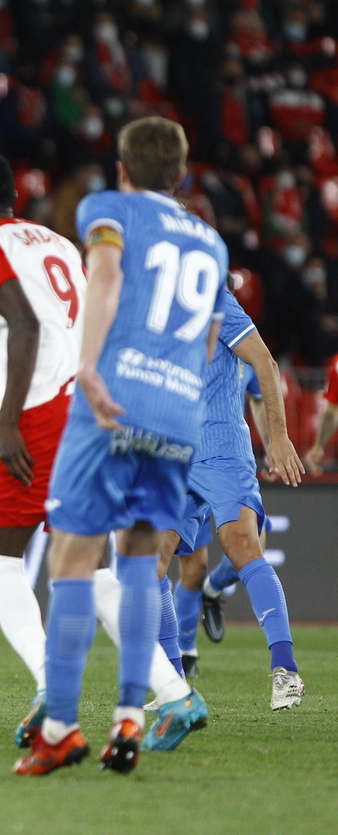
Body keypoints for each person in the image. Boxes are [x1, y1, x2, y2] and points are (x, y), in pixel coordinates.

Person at [16, 118, 231, 777]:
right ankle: (132, 716)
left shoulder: (106, 209)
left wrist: (88, 368)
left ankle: (60, 729)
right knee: (141, 555)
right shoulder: (212, 242)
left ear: (123, 169)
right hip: (179, 410)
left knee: (73, 553)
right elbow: (205, 339)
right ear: (183, 173)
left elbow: (105, 276)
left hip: (114, 399)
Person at [0, 154, 85, 744]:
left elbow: (25, 328)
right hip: (85, 401)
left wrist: (7, 422)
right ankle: (169, 690)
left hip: (39, 411)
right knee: (91, 565)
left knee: (2, 560)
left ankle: (52, 683)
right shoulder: (58, 243)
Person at [150, 295, 305, 721]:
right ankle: (174, 686)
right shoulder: (147, 297)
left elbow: (265, 363)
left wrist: (277, 437)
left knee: (242, 547)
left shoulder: (212, 295)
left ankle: (285, 669)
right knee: (151, 559)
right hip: (172, 452)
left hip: (220, 450)